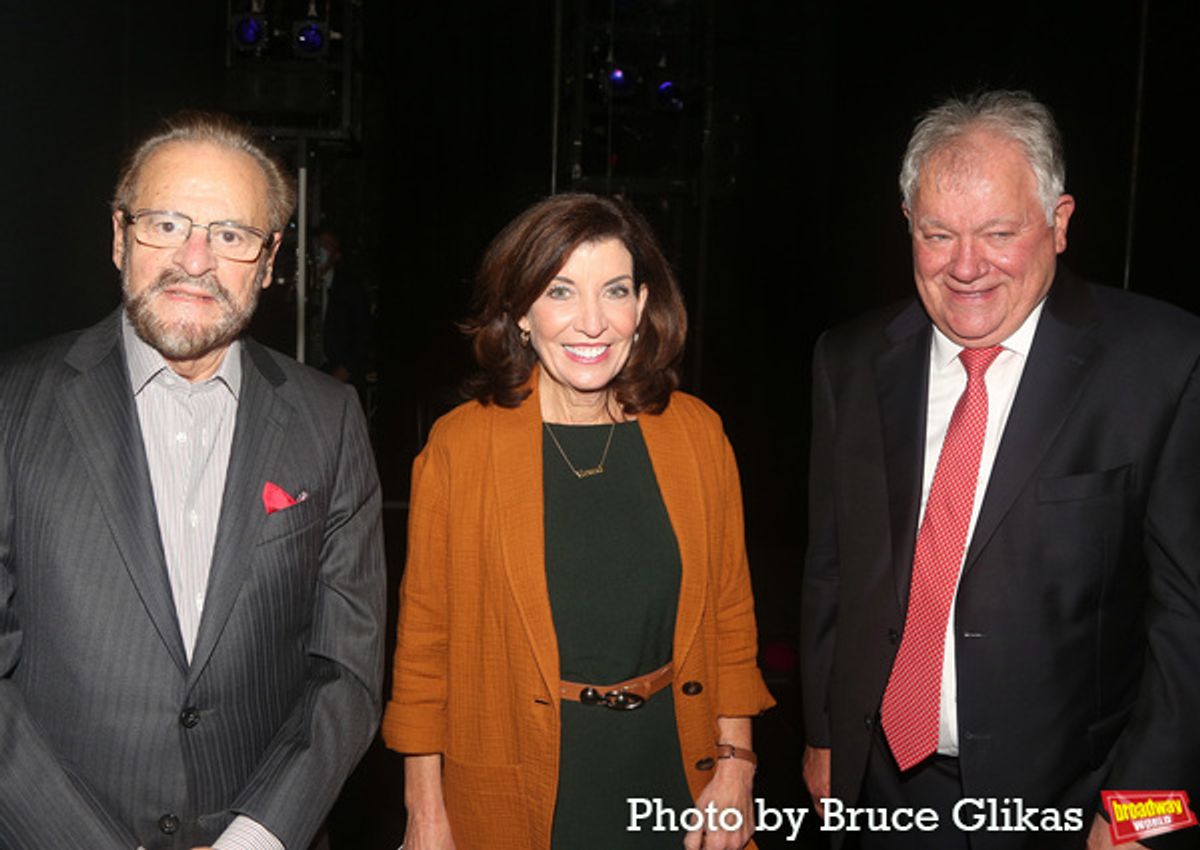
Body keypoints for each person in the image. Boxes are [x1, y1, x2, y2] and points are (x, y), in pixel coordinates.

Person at [800, 89, 1200, 850]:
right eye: (938, 234)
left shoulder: (1166, 363)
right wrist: (824, 738)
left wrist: (1145, 814)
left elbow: (1190, 624)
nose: (966, 266)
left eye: (998, 232)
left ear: (1060, 222)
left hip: (1076, 808)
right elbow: (831, 568)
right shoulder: (848, 361)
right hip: (881, 792)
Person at [0, 111, 386, 849]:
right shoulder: (11, 407)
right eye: (167, 224)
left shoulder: (330, 419)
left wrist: (256, 837)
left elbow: (348, 669)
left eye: (231, 235)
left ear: (270, 261)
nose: (196, 259)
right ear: (119, 237)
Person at [382, 193, 775, 850]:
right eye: (560, 292)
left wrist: (737, 766)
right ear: (520, 313)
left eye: (614, 291)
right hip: (520, 785)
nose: (591, 323)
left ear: (643, 307)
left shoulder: (698, 436)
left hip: (674, 776)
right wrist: (424, 811)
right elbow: (425, 650)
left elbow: (731, 619)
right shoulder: (460, 448)